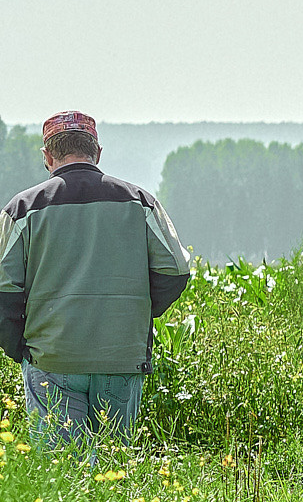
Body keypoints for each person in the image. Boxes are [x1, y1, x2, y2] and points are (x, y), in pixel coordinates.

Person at [0, 112, 191, 446]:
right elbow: (175, 270)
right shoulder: (141, 202)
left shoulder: (22, 209)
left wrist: (20, 347)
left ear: (47, 156)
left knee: (63, 475)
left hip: (51, 356)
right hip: (121, 356)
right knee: (113, 468)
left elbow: (3, 289)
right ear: (97, 152)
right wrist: (135, 315)